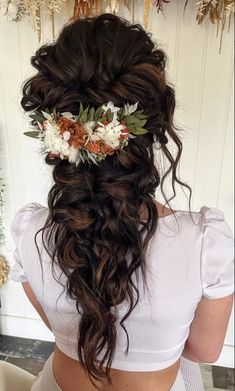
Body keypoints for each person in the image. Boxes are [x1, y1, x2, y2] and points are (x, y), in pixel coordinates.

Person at [8, 13, 234, 391]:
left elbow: (58, 325)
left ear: (56, 132)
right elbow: (204, 349)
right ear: (153, 129)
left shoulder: (30, 230)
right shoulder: (204, 244)